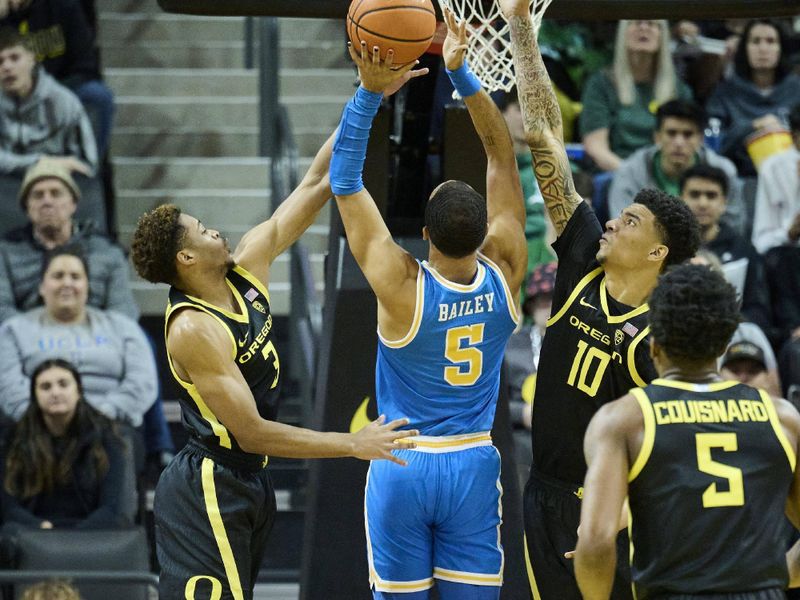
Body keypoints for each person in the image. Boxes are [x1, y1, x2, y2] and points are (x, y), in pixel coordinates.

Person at [128, 64, 425, 598]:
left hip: (249, 480)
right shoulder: (194, 329)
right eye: (201, 229)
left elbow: (315, 182)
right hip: (208, 483)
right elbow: (253, 432)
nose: (213, 227)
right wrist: (352, 443)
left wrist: (370, 94)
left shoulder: (249, 264)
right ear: (187, 257)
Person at [500, 0, 701, 597]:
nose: (613, 224)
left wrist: (615, 520)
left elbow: (670, 448)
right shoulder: (583, 261)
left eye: (631, 222)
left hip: (614, 510)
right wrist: (519, 27)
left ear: (659, 254)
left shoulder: (660, 337)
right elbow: (543, 139)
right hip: (544, 491)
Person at [331, 12, 527, 598]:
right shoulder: (507, 267)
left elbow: (345, 182)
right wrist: (463, 76)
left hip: (404, 466)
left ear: (424, 232)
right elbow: (501, 157)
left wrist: (369, 93)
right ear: (484, 231)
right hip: (471, 462)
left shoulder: (401, 284)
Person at [573, 264, 800, 600]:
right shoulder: (782, 418)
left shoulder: (624, 419)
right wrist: (775, 578)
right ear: (724, 346)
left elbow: (594, 542)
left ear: (653, 345)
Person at [0, 245, 157, 426]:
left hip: (111, 426)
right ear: (42, 287)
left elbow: (142, 383)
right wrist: (50, 420)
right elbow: (10, 390)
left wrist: (98, 415)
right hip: (37, 429)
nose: (67, 283)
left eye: (75, 277)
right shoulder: (13, 331)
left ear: (87, 286)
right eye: (58, 276)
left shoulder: (123, 328)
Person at [1, 358, 133, 531]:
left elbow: (111, 508)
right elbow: (9, 508)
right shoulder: (15, 439)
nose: (55, 392)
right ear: (35, 395)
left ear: (78, 390)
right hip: (33, 535)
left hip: (93, 537)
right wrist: (41, 528)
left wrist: (73, 537)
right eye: (45, 387)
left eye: (63, 384)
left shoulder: (107, 437)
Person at [0, 159, 137, 322]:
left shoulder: (108, 252)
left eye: (56, 193)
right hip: (27, 341)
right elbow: (3, 310)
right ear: (27, 208)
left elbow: (123, 312)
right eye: (38, 195)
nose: (47, 201)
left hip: (97, 340)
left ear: (73, 203)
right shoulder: (5, 253)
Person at [1, 0, 114, 158]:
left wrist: (49, 93)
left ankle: (82, 171)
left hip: (60, 90)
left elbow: (86, 65)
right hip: (9, 96)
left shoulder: (64, 6)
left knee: (97, 96)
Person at [608, 100, 743, 229]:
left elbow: (733, 225)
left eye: (688, 134)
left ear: (701, 138)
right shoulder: (630, 172)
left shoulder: (724, 171)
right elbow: (621, 226)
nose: (679, 143)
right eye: (671, 133)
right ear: (657, 137)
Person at [580, 20, 691, 173]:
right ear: (623, 32)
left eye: (652, 24)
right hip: (614, 173)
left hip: (665, 175)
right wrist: (633, 176)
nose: (644, 28)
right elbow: (596, 147)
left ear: (662, 35)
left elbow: (687, 145)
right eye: (636, 22)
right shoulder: (601, 84)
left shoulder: (679, 90)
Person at [680, 163, 773, 339]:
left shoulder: (744, 249)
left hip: (730, 338)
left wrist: (725, 323)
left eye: (711, 195)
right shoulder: (666, 247)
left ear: (724, 203)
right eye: (694, 195)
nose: (702, 203)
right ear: (680, 198)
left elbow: (758, 310)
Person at [706, 19, 800, 176]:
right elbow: (713, 144)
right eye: (755, 41)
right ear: (744, 48)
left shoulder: (796, 89)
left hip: (791, 175)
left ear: (781, 48)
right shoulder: (725, 92)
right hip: (738, 176)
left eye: (771, 41)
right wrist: (752, 127)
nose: (763, 49)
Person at [0, 27, 96, 176]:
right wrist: (41, 161)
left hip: (54, 179)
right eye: (0, 62)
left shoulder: (63, 101)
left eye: (14, 58)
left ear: (32, 59)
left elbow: (85, 163)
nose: (6, 67)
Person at [505, 262, 557, 484]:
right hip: (520, 447)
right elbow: (490, 403)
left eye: (554, 296)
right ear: (531, 303)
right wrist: (522, 413)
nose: (547, 305)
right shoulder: (510, 346)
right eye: (541, 298)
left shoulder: (581, 347)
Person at [752, 102, 800, 255]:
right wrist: (789, 233)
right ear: (794, 137)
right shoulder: (773, 168)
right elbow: (761, 242)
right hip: (790, 261)